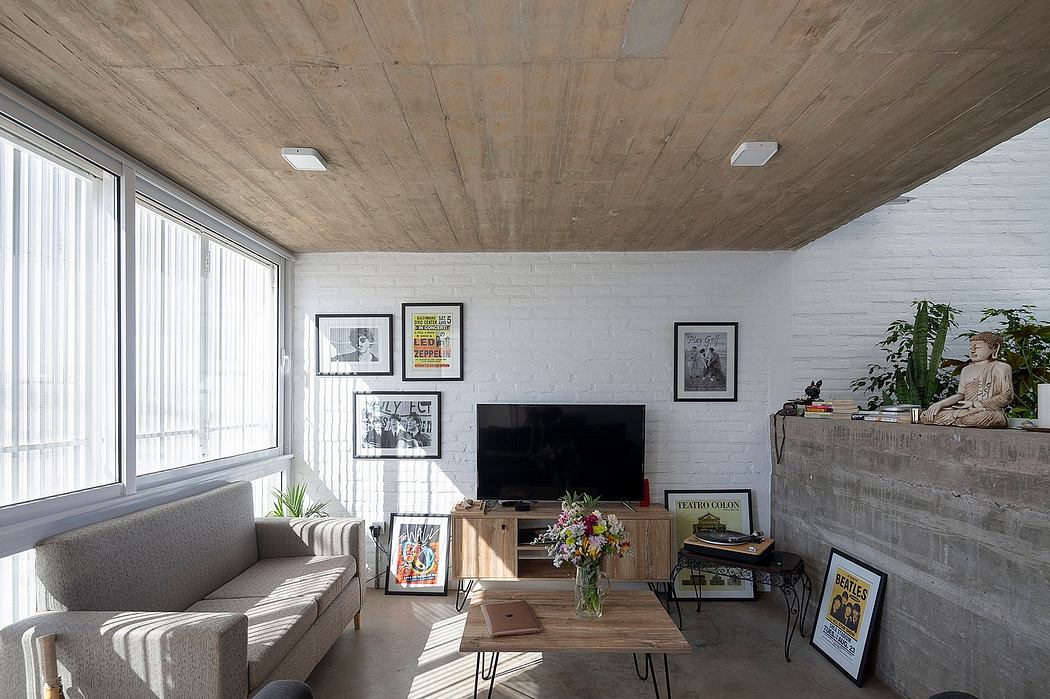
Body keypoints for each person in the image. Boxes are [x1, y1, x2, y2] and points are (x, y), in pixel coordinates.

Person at [920, 332, 1013, 428]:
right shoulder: (966, 369)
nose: (972, 351)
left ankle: (960, 420)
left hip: (986, 411)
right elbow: (961, 395)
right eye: (970, 348)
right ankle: (960, 419)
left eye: (977, 347)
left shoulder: (1000, 367)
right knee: (925, 416)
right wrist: (940, 404)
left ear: (994, 348)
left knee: (996, 418)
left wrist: (975, 404)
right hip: (966, 411)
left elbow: (1006, 396)